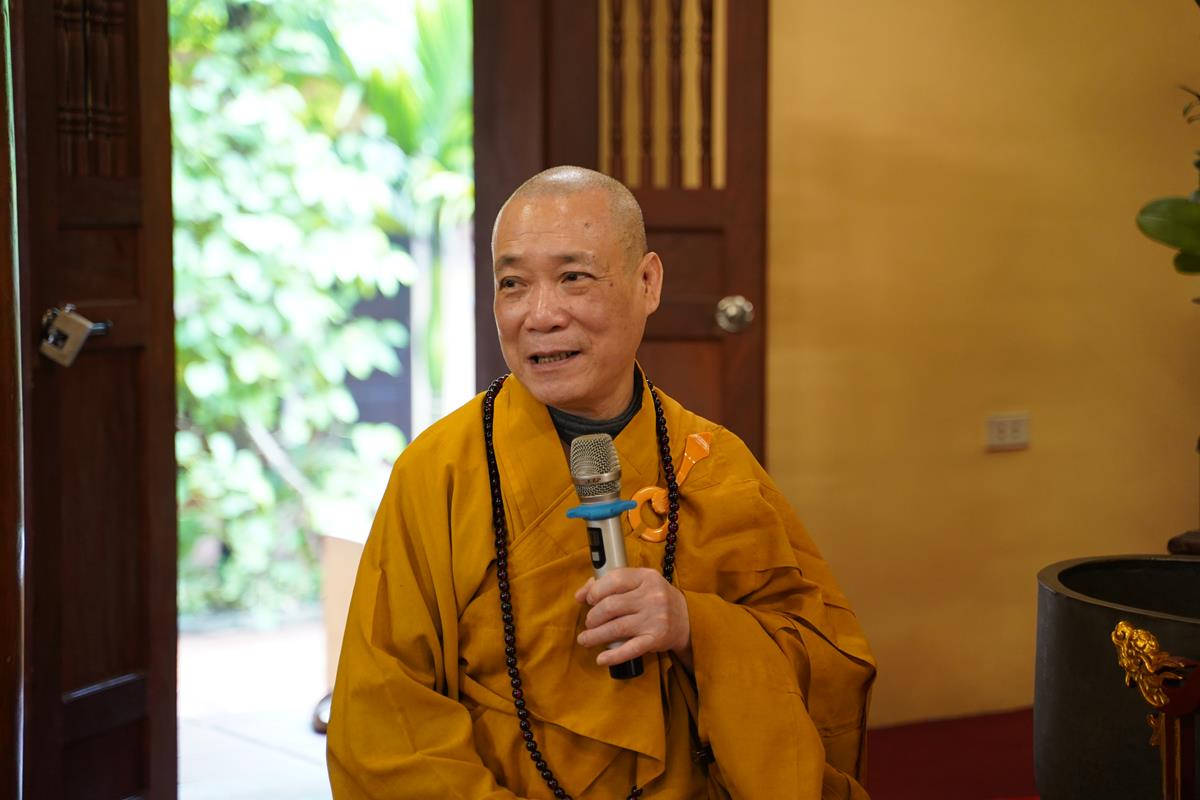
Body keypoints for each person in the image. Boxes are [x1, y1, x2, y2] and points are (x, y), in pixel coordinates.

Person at [326, 166, 876, 799]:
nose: (540, 315)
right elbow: (384, 716)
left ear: (648, 283)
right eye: (512, 284)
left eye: (573, 278)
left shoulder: (713, 464)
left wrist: (694, 626)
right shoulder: (439, 471)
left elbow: (829, 665)